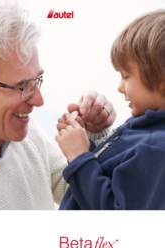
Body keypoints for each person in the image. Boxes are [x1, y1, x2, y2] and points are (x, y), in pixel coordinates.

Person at [0, 2, 115, 209]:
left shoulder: (28, 136)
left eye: (36, 80)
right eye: (21, 86)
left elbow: (86, 199)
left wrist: (93, 136)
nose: (39, 100)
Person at [57, 10, 165, 210]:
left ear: (161, 80)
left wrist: (78, 157)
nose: (120, 87)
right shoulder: (143, 129)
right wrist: (85, 143)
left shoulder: (156, 149)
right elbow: (107, 178)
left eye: (126, 76)